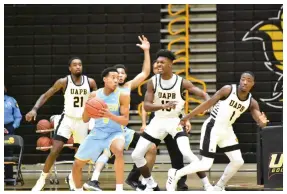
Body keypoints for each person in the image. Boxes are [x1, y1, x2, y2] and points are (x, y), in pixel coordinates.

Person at [166, 71, 269, 191]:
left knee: (238, 161)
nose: (245, 82)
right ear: (240, 80)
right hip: (213, 127)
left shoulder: (252, 102)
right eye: (243, 79)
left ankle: (219, 186)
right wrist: (188, 116)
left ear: (253, 84)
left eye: (248, 80)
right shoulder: (228, 90)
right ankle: (175, 174)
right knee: (206, 164)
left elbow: (259, 120)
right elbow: (208, 104)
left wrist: (263, 123)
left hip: (227, 131)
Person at [131, 49, 212, 191]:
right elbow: (147, 106)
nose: (159, 64)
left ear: (171, 64)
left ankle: (207, 184)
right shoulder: (152, 82)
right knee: (136, 155)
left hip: (174, 121)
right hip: (157, 121)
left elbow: (203, 94)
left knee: (187, 153)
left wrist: (208, 104)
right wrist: (163, 105)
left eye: (162, 62)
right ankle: (151, 184)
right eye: (157, 62)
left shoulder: (181, 82)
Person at [82, 35, 154, 191]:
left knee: (150, 148)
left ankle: (134, 178)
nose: (119, 76)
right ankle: (93, 180)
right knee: (109, 151)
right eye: (116, 74)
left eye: (122, 73)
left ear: (126, 76)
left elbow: (145, 72)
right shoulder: (104, 92)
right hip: (106, 128)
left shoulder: (127, 87)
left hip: (122, 129)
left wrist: (146, 51)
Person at [26, 57, 97, 191]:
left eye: (80, 65)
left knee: (80, 156)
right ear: (70, 68)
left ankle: (72, 178)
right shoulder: (63, 81)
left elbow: (97, 100)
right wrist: (34, 109)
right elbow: (46, 95)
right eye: (75, 65)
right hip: (67, 119)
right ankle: (41, 180)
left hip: (83, 121)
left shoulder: (91, 82)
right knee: (55, 150)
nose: (78, 67)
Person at [72, 67, 130, 191]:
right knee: (77, 164)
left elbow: (125, 120)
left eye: (118, 78)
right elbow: (85, 119)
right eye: (113, 77)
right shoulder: (94, 95)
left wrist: (110, 115)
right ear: (105, 79)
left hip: (115, 132)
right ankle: (78, 190)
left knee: (119, 150)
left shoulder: (123, 95)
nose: (116, 80)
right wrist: (88, 107)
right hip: (97, 133)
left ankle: (119, 189)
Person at [4, 85, 22, 184]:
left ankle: (9, 178)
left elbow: (18, 116)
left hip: (8, 128)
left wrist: (13, 127)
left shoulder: (11, 100)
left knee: (8, 152)